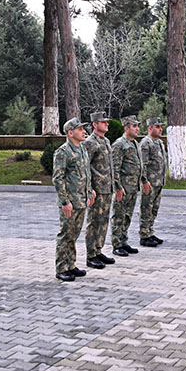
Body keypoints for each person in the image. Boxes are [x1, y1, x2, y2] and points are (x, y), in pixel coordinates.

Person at [52, 117, 95, 282]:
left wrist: (89, 192)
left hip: (81, 200)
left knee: (74, 234)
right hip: (70, 202)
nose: (84, 131)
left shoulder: (82, 149)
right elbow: (58, 178)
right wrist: (65, 202)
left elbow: (86, 174)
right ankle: (61, 268)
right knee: (65, 234)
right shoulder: (63, 152)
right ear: (70, 133)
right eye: (80, 129)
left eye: (84, 128)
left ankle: (71, 264)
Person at [81, 111, 116, 269]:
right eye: (103, 122)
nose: (107, 124)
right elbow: (85, 167)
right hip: (97, 189)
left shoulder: (106, 141)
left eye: (107, 122)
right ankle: (90, 255)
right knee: (94, 221)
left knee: (103, 220)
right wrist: (90, 189)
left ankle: (98, 250)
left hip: (107, 188)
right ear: (95, 124)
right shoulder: (90, 142)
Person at [110, 115, 147, 257]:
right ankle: (116, 244)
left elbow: (139, 165)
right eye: (134, 126)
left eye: (137, 126)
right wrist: (118, 188)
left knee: (127, 216)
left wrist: (143, 181)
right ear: (126, 128)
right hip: (123, 188)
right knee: (118, 216)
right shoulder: (120, 144)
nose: (137, 128)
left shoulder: (135, 144)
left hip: (133, 187)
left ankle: (123, 241)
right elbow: (115, 169)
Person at [137, 118, 167, 247]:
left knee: (154, 208)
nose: (160, 129)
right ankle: (144, 235)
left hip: (159, 181)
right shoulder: (145, 143)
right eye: (157, 126)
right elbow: (142, 164)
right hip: (149, 182)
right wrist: (144, 181)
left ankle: (150, 231)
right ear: (150, 128)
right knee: (146, 208)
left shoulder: (159, 142)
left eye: (161, 126)